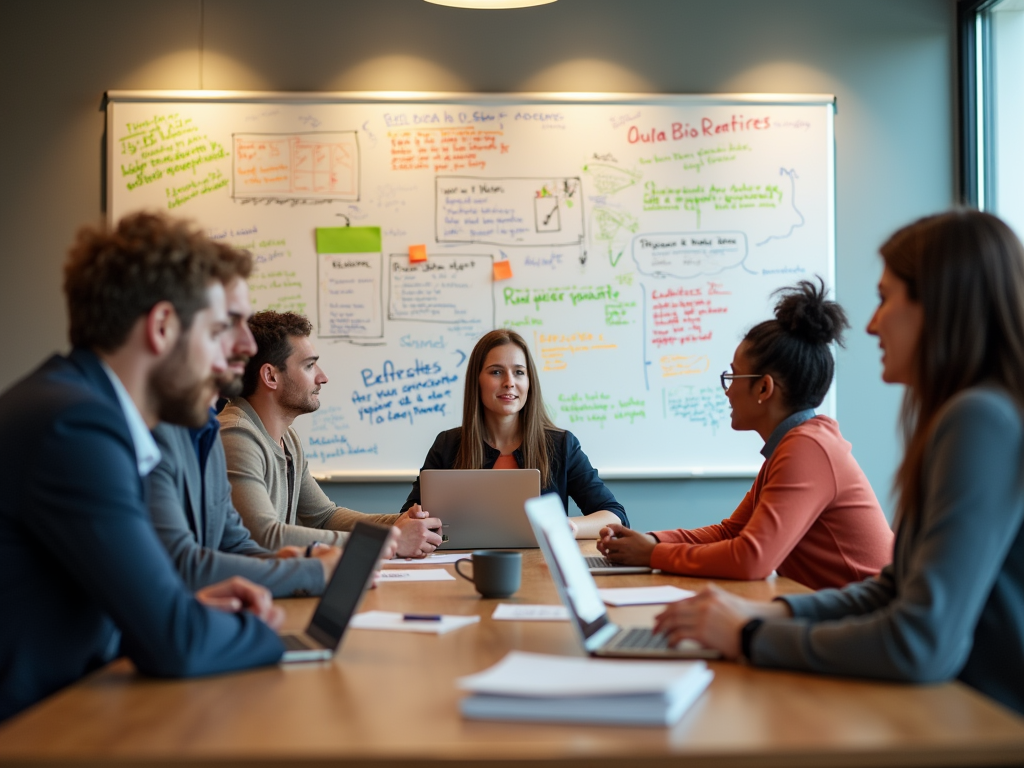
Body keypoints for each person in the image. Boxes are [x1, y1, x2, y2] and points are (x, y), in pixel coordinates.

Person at [653, 210, 1024, 716]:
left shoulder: (979, 419)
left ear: (939, 305)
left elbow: (919, 642)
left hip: (982, 718)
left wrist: (752, 634)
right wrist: (768, 613)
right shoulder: (968, 416)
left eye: (885, 297)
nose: (871, 323)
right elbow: (892, 589)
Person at [0, 213, 285, 722]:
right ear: (161, 328)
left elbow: (134, 614)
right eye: (219, 329)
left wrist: (187, 610)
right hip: (36, 734)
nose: (237, 350)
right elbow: (177, 642)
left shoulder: (77, 404)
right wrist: (270, 629)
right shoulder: (77, 426)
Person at [597, 280, 893, 590]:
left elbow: (752, 559)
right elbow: (731, 533)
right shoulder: (794, 445)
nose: (728, 390)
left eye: (733, 376)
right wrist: (650, 540)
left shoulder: (808, 448)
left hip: (866, 622)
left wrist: (654, 554)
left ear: (764, 388)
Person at [147, 267, 342, 597]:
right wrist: (311, 569)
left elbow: (235, 543)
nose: (246, 343)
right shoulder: (217, 433)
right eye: (227, 325)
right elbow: (184, 567)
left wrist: (297, 561)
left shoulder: (203, 429)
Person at [220, 311, 441, 556]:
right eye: (309, 365)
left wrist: (400, 524)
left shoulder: (288, 439)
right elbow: (265, 535)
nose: (322, 377)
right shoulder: (236, 435)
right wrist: (388, 540)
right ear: (271, 376)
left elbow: (324, 517)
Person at [403, 328, 627, 538]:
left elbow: (615, 516)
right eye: (496, 372)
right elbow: (404, 519)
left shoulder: (561, 445)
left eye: (519, 372)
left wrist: (569, 527)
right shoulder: (447, 444)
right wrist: (414, 521)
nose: (509, 382)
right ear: (477, 381)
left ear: (529, 382)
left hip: (541, 570)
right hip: (460, 567)